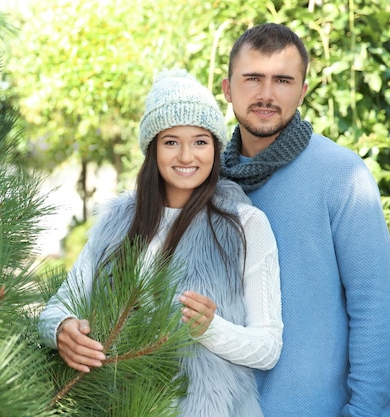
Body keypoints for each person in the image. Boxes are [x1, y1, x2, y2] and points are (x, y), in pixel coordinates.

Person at [39, 68, 283, 416]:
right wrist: (61, 330)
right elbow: (59, 306)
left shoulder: (245, 225)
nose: (187, 156)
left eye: (200, 141)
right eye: (172, 142)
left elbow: (269, 347)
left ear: (215, 146)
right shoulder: (116, 224)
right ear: (152, 149)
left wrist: (211, 329)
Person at [220, 23, 390, 416]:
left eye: (282, 80)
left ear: (302, 91)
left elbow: (372, 308)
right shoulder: (206, 178)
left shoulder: (342, 175)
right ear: (228, 88)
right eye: (252, 79)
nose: (266, 94)